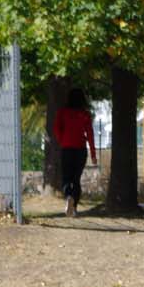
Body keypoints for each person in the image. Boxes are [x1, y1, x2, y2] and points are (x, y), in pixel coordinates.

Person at [52, 88, 97, 217]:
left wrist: (62, 140)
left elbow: (56, 128)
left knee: (66, 178)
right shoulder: (85, 114)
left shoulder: (62, 112)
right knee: (76, 179)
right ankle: (75, 207)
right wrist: (93, 154)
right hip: (81, 150)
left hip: (67, 149)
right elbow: (90, 134)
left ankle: (68, 197)